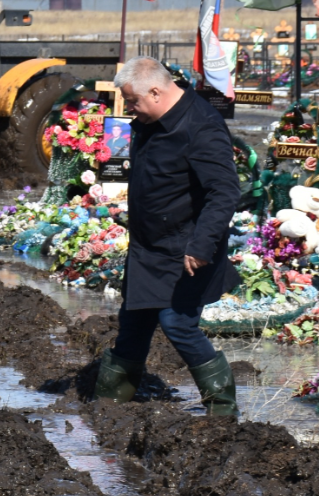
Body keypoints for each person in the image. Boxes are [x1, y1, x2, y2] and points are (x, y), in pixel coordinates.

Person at [94, 57, 241, 416]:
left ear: (156, 91)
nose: (129, 109)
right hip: (148, 248)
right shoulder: (149, 119)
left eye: (132, 101)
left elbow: (224, 191)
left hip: (186, 249)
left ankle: (223, 410)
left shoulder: (202, 126)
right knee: (133, 324)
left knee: (178, 323)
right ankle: (108, 408)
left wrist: (203, 244)